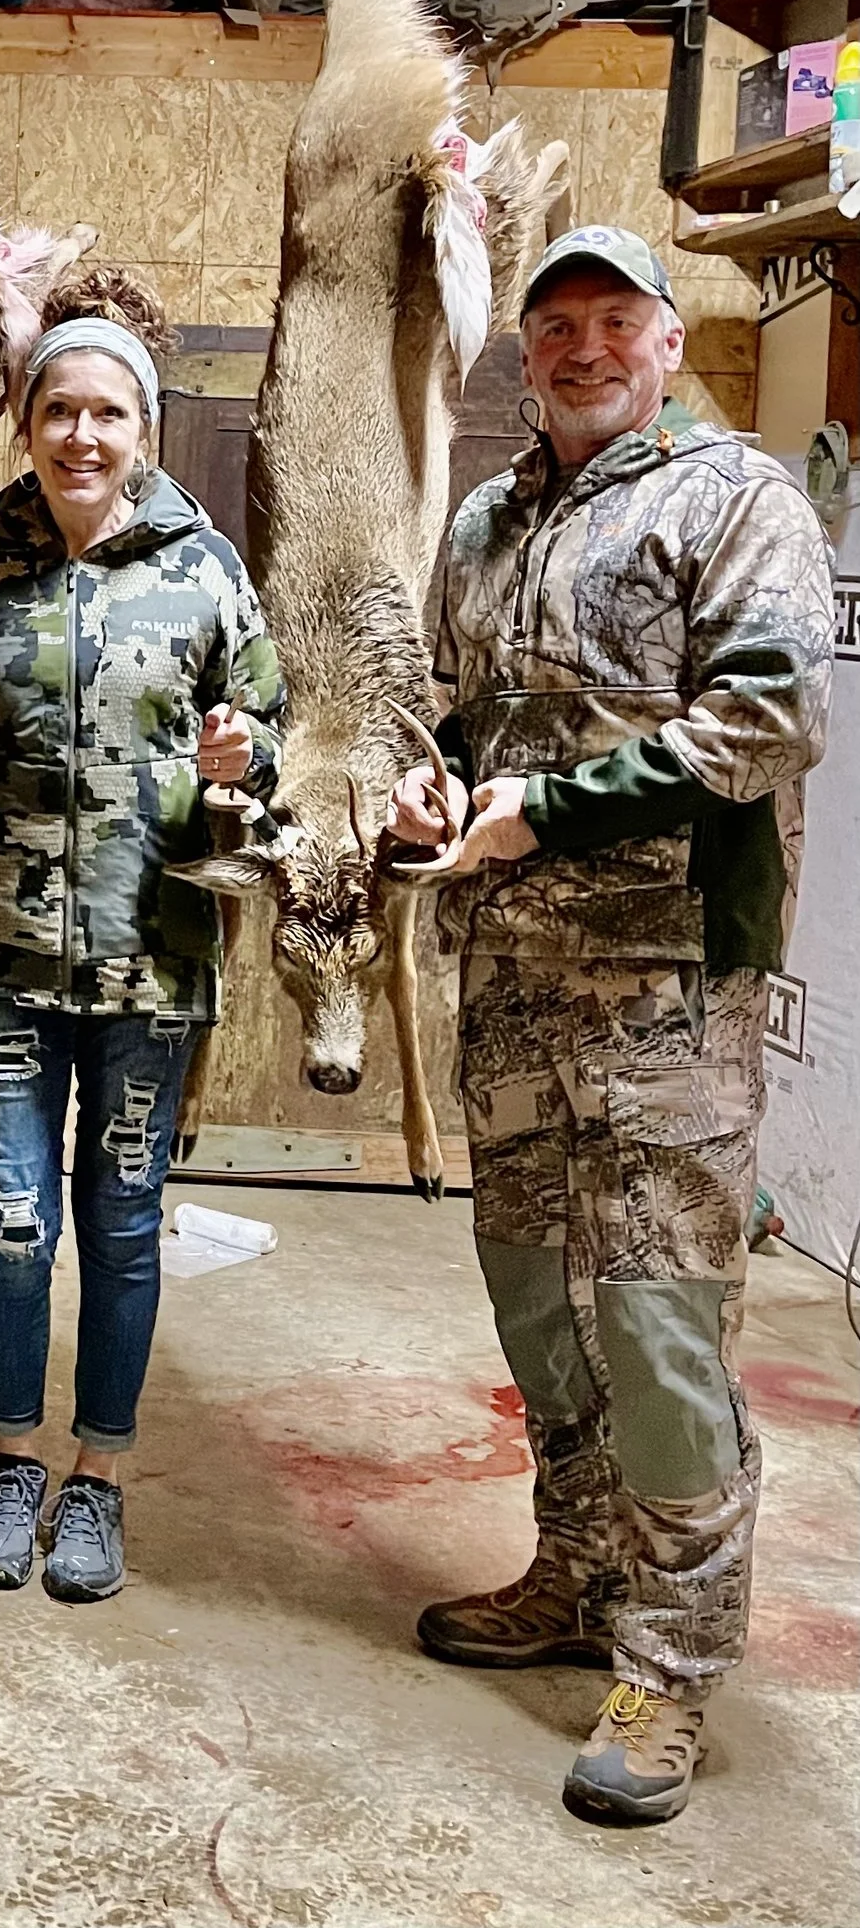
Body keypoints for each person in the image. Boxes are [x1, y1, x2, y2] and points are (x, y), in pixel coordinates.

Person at [385, 226, 834, 1826]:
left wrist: (547, 815)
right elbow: (457, 704)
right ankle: (572, 1573)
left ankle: (673, 1653)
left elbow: (772, 718)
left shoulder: (737, 500)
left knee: (654, 1329)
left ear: (664, 342)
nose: (581, 348)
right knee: (536, 1307)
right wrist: (435, 776)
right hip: (510, 979)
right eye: (555, 324)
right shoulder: (497, 517)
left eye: (614, 321)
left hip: (664, 988)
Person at [0, 280, 283, 1605]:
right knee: (16, 1214)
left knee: (122, 1222)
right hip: (2, 958)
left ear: (145, 428)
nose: (82, 435)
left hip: (154, 955)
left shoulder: (204, 569)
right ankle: (15, 1459)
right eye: (59, 409)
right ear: (26, 423)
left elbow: (273, 731)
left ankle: (101, 1477)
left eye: (109, 413)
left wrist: (252, 753)